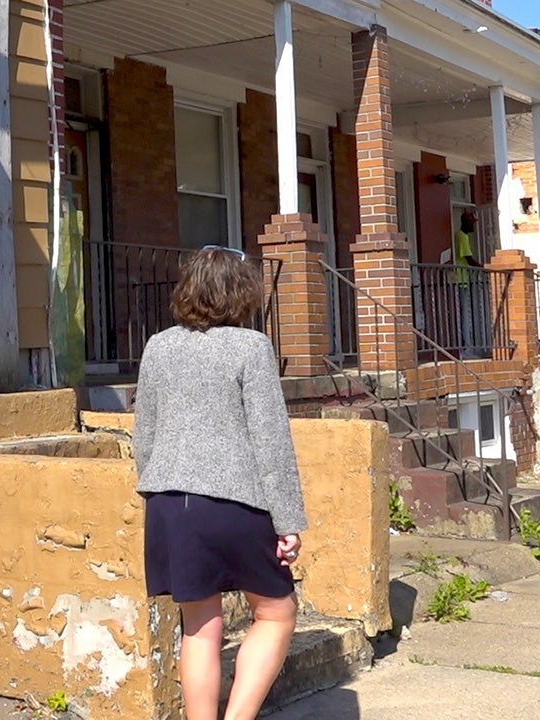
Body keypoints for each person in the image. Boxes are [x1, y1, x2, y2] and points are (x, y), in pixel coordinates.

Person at [133, 245, 308, 720]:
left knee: (199, 629)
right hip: (234, 501)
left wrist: (155, 489)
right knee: (276, 612)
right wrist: (288, 521)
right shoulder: (251, 347)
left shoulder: (158, 346)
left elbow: (143, 434)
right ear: (241, 293)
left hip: (169, 503)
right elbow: (270, 440)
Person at [454, 210, 488, 357]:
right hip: (460, 280)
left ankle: (468, 347)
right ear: (465, 223)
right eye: (471, 223)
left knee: (466, 313)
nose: (473, 227)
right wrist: (484, 268)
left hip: (464, 279)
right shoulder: (462, 236)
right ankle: (465, 348)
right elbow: (468, 259)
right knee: (464, 314)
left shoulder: (463, 236)